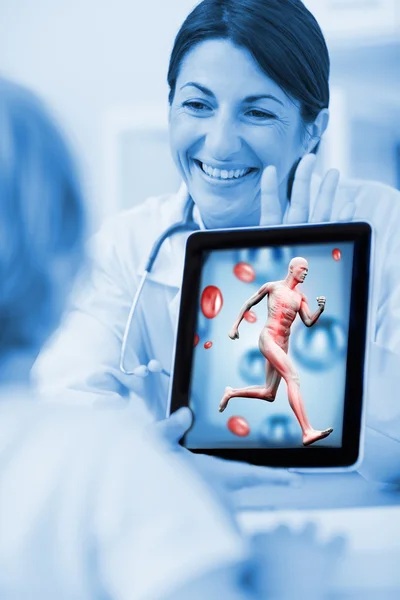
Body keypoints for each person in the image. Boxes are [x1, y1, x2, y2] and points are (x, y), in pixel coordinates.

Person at [33, 0, 400, 485]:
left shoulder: (385, 225)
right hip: (193, 533)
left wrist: (323, 337)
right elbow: (62, 421)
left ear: (313, 130)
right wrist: (150, 462)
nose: (221, 143)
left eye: (258, 111)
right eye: (197, 105)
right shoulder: (129, 247)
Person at [219, 257, 334, 447]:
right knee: (293, 378)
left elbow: (308, 321)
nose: (306, 273)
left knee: (269, 393)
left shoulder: (300, 298)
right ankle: (307, 431)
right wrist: (234, 326)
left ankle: (231, 392)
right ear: (292, 269)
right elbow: (249, 303)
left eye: (308, 270)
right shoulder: (273, 287)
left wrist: (320, 310)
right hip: (269, 338)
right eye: (303, 269)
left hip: (283, 344)